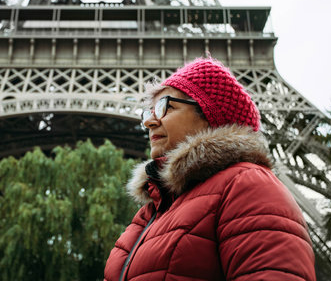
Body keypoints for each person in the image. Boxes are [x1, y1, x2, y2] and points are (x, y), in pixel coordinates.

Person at [104, 58, 316, 281]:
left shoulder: (246, 184)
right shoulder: (152, 211)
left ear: (208, 115)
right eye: (149, 112)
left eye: (164, 107)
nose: (150, 122)